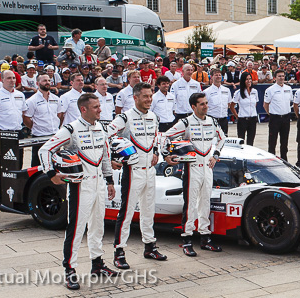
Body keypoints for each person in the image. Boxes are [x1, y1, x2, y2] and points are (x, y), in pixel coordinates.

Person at [39, 93, 118, 289]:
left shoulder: (101, 127)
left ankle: (97, 264)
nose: (100, 109)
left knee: (98, 225)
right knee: (76, 228)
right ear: (84, 109)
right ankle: (70, 270)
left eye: (100, 106)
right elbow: (45, 150)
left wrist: (109, 180)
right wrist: (51, 174)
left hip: (99, 184)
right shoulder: (71, 129)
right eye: (96, 107)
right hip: (80, 186)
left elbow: (105, 155)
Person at [107, 83, 167, 269]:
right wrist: (111, 158)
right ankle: (119, 251)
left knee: (149, 209)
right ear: (135, 98)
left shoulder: (154, 116)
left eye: (150, 96)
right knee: (126, 212)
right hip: (132, 171)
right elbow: (105, 136)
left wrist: (156, 151)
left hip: (150, 171)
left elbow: (156, 137)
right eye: (145, 97)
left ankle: (149, 246)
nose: (149, 100)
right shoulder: (124, 117)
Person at [163, 92, 225, 256]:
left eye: (206, 103)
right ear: (193, 106)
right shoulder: (186, 122)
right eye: (202, 104)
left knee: (205, 202)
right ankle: (187, 239)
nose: (205, 106)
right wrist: (168, 154)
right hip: (191, 168)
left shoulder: (212, 121)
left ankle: (205, 238)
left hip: (208, 166)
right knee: (190, 204)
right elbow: (165, 136)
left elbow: (222, 138)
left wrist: (216, 155)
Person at [0, 70, 26, 207]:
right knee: (0, 167)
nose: (12, 81)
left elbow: (23, 113)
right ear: (2, 80)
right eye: (8, 78)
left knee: (17, 165)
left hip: (17, 133)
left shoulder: (20, 95)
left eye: (14, 78)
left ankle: (16, 197)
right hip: (2, 134)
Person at [23, 75, 61, 166]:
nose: (47, 82)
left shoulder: (56, 99)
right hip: (39, 137)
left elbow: (59, 115)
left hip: (54, 136)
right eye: (44, 80)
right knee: (38, 165)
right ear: (37, 83)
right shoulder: (32, 101)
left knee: (56, 164)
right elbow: (26, 118)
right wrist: (35, 127)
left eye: (48, 80)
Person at [263, 69, 293, 160]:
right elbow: (265, 105)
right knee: (272, 141)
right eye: (279, 76)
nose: (281, 78)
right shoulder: (270, 90)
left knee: (284, 141)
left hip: (286, 117)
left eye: (283, 76)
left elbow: (290, 101)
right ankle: (271, 160)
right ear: (275, 77)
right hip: (275, 118)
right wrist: (271, 114)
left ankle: (284, 159)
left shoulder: (288, 89)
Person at [230, 73, 259, 145]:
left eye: (250, 79)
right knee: (241, 141)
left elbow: (255, 103)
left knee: (250, 141)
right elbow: (232, 106)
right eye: (247, 79)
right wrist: (237, 116)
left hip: (252, 119)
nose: (249, 81)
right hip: (243, 119)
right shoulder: (238, 93)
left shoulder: (254, 91)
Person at [204, 68, 231, 134]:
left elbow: (229, 103)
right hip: (212, 119)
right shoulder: (206, 92)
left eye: (219, 75)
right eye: (216, 75)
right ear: (211, 77)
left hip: (224, 119)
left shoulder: (226, 90)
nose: (218, 77)